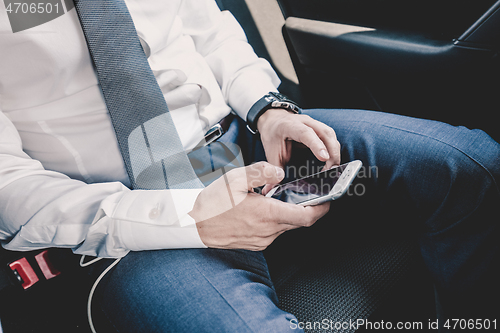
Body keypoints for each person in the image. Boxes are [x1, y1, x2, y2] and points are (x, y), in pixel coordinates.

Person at [0, 0, 498, 332]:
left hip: (246, 149)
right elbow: (9, 188)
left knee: (470, 166)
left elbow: (209, 31)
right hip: (135, 226)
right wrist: (192, 216)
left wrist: (267, 106)